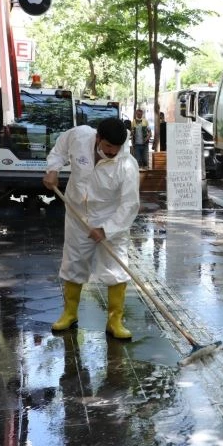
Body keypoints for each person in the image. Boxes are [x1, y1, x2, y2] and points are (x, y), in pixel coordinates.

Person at [43, 117, 141, 340]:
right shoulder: (79, 136)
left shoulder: (126, 165)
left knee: (115, 267)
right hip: (77, 213)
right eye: (108, 146)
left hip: (110, 218)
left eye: (116, 148)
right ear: (97, 138)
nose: (112, 152)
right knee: (74, 262)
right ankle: (69, 314)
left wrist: (106, 229)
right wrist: (53, 170)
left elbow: (129, 205)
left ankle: (115, 320)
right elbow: (60, 148)